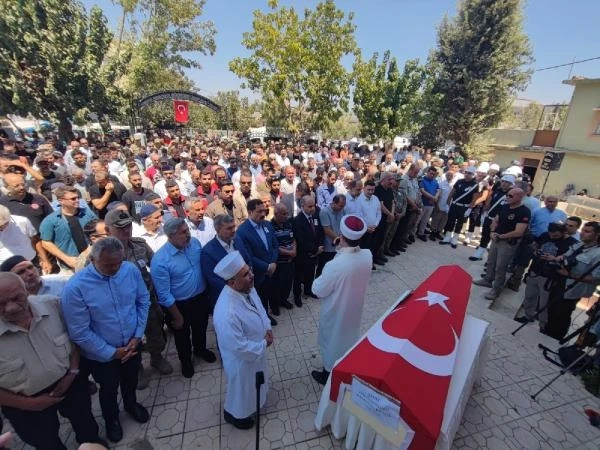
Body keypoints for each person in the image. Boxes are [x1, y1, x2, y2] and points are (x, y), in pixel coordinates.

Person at [0, 273, 105, 450]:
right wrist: (29, 404)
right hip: (23, 402)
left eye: (17, 298)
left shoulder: (53, 305)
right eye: (0, 303)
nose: (10, 308)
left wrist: (72, 373)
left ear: (27, 290)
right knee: (45, 442)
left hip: (69, 383)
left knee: (85, 421)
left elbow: (74, 341)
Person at [61, 238, 150, 443]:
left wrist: (137, 335)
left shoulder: (129, 270)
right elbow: (79, 332)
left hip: (132, 343)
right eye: (108, 265)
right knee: (108, 389)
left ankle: (131, 405)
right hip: (101, 355)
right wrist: (112, 352)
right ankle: (112, 420)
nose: (115, 268)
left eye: (118, 262)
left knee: (130, 380)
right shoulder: (75, 288)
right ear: (93, 259)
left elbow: (142, 300)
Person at [103, 210, 173, 386]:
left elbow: (156, 266)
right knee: (132, 340)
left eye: (128, 226)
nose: (126, 231)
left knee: (155, 332)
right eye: (120, 228)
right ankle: (138, 367)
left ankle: (156, 358)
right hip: (123, 308)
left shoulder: (140, 245)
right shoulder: (101, 254)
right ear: (107, 229)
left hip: (148, 302)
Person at [212, 251, 273, 430]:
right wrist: (263, 344)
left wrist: (267, 326)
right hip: (242, 360)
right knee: (240, 390)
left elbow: (259, 306)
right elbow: (239, 348)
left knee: (253, 384)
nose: (252, 275)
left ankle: (253, 404)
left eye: (249, 270)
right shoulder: (226, 312)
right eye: (246, 274)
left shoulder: (247, 287)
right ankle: (235, 415)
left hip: (256, 350)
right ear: (231, 282)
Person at [311, 215, 372, 385]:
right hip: (354, 308)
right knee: (348, 339)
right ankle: (345, 366)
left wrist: (337, 255)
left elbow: (317, 290)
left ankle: (328, 375)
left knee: (332, 342)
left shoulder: (335, 265)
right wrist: (341, 250)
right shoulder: (367, 256)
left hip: (336, 311)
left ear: (341, 235)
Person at [151, 218, 215, 378]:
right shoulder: (160, 261)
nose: (188, 234)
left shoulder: (194, 244)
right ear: (171, 236)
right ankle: (186, 361)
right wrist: (176, 316)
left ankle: (200, 350)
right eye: (183, 232)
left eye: (187, 230)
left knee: (201, 327)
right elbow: (163, 294)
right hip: (179, 306)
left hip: (200, 298)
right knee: (182, 336)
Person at [514, 222, 577, 327]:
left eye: (555, 235)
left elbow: (570, 261)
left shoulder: (572, 243)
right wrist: (536, 251)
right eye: (551, 234)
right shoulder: (545, 235)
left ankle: (544, 325)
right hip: (536, 270)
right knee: (530, 296)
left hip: (550, 277)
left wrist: (554, 259)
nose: (552, 237)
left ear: (563, 232)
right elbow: (535, 245)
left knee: (544, 303)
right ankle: (528, 315)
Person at [545, 222, 600, 340]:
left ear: (597, 235)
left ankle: (554, 339)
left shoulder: (597, 254)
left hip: (573, 289)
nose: (582, 234)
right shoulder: (579, 245)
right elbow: (565, 257)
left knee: (562, 315)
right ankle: (546, 333)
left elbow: (596, 279)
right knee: (552, 310)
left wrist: (570, 275)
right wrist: (553, 259)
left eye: (587, 231)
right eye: (582, 230)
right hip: (559, 282)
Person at [473, 188, 530, 301]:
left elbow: (519, 231)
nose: (507, 197)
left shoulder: (524, 211)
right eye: (508, 195)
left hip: (507, 243)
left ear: (519, 197)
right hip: (496, 238)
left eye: (511, 196)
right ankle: (488, 279)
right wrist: (493, 232)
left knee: (500, 267)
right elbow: (496, 219)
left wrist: (501, 236)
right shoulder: (505, 206)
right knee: (491, 261)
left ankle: (495, 290)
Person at [236, 199, 279, 324]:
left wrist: (273, 263)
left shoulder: (267, 224)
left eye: (264, 211)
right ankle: (260, 319)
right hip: (258, 273)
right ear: (250, 212)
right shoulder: (242, 231)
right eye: (259, 211)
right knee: (258, 297)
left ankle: (268, 313)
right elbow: (248, 256)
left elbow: (275, 246)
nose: (263, 214)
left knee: (268, 293)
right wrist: (267, 267)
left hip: (272, 268)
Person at [40, 186, 97, 272]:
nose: (77, 200)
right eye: (73, 199)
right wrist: (66, 258)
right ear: (61, 201)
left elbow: (99, 229)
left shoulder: (87, 213)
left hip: (94, 260)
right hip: (70, 266)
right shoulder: (50, 220)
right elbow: (45, 242)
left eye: (78, 197)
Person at [201, 214, 250, 309]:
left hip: (245, 289)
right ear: (218, 230)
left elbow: (247, 260)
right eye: (229, 228)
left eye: (233, 227)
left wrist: (248, 279)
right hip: (227, 297)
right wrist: (237, 288)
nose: (233, 230)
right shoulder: (208, 251)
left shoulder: (237, 240)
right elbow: (213, 279)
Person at [292, 195, 324, 306]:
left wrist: (320, 246)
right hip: (303, 255)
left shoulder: (315, 216)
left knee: (311, 274)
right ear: (302, 206)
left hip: (315, 253)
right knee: (299, 276)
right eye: (309, 206)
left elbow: (320, 232)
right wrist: (315, 249)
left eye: (313, 205)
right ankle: (297, 296)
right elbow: (301, 240)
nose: (312, 208)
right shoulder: (297, 221)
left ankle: (308, 290)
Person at [439, 167, 479, 248]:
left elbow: (474, 198)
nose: (467, 175)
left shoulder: (475, 185)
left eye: (469, 173)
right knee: (450, 221)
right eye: (466, 172)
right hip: (454, 205)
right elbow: (452, 192)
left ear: (473, 175)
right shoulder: (459, 181)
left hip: (464, 207)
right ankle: (447, 237)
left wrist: (470, 209)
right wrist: (448, 204)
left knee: (460, 223)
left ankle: (455, 239)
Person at [0, 255, 69, 297]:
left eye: (30, 267)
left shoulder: (60, 281)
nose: (30, 273)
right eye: (21, 272)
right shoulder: (12, 300)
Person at [270, 203, 296, 312]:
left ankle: (283, 300)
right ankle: (274, 305)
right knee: (276, 285)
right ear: (276, 214)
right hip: (279, 262)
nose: (287, 215)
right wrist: (289, 253)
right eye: (284, 214)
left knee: (287, 283)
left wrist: (294, 250)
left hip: (290, 260)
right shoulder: (270, 226)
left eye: (287, 213)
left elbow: (294, 238)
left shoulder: (288, 223)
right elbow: (274, 246)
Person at [317, 194, 346, 276]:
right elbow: (327, 230)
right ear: (334, 203)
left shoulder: (342, 210)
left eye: (344, 206)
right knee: (323, 269)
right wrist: (340, 240)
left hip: (339, 246)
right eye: (341, 206)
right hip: (328, 246)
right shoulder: (324, 212)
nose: (342, 208)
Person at [416, 166, 440, 241]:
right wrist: (433, 198)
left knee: (425, 220)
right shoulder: (422, 179)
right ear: (427, 172)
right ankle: (411, 234)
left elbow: (438, 190)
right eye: (431, 173)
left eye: (434, 174)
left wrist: (435, 198)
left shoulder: (435, 181)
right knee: (417, 220)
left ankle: (421, 233)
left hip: (431, 205)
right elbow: (422, 191)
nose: (432, 175)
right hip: (423, 203)